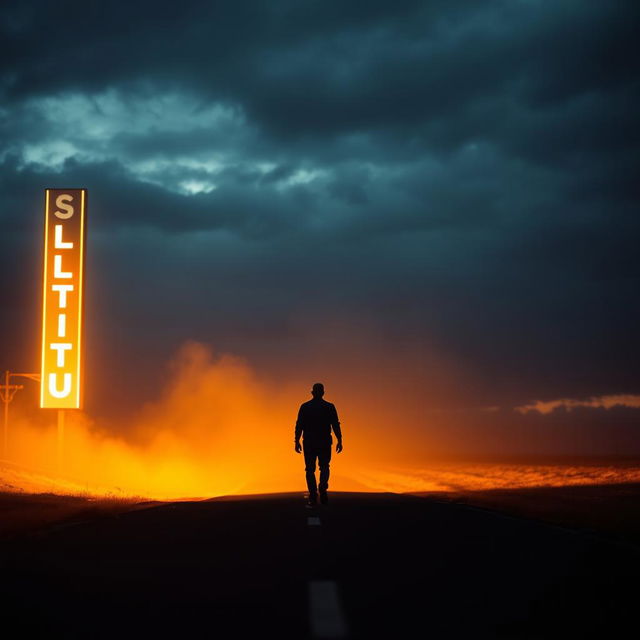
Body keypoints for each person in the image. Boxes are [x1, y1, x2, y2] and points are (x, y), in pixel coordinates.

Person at [294, 382, 343, 506]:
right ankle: (322, 487)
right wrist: (339, 440)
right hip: (324, 441)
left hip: (309, 442)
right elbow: (335, 425)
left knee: (310, 469)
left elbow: (299, 425)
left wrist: (297, 441)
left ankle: (313, 494)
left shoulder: (305, 407)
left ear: (312, 392)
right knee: (325, 466)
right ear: (323, 393)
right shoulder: (329, 407)